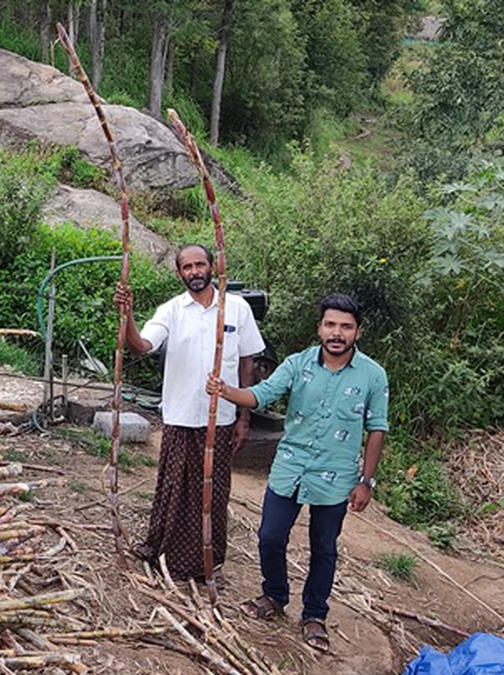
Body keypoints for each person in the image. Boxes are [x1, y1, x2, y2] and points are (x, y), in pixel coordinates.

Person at [206, 293, 388, 653]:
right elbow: (261, 395)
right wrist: (226, 391)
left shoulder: (373, 375)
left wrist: (366, 481)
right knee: (270, 537)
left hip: (336, 478)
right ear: (320, 327)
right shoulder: (298, 363)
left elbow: (377, 429)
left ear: (357, 332)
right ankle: (274, 595)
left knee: (324, 548)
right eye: (330, 324)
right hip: (290, 468)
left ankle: (314, 615)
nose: (337, 333)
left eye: (346, 327)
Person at [114, 243, 266, 581]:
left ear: (212, 267)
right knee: (175, 488)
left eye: (200, 265)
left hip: (222, 419)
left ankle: (207, 563)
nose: (195, 272)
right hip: (181, 416)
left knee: (214, 491)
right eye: (187, 267)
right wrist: (128, 316)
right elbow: (140, 346)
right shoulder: (171, 310)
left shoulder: (236, 309)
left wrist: (244, 417)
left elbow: (247, 362)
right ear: (179, 273)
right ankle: (165, 553)